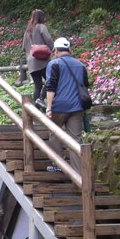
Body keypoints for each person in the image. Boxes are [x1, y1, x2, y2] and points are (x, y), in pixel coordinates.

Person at [44, 37, 90, 173]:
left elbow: (50, 87)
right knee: (75, 139)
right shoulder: (80, 65)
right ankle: (79, 173)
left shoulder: (54, 64)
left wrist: (48, 107)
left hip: (59, 106)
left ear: (56, 50)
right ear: (69, 50)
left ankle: (58, 164)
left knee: (54, 132)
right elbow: (85, 85)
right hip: (77, 106)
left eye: (54, 51)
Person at [22, 9, 54, 109]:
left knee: (38, 86)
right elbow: (48, 39)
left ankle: (36, 110)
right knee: (51, 81)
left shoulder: (28, 30)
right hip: (42, 61)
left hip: (31, 62)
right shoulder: (41, 27)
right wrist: (54, 49)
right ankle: (41, 99)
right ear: (41, 17)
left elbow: (23, 48)